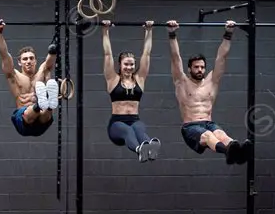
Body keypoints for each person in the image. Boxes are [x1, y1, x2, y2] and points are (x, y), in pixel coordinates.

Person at [168, 20, 252, 164]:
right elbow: (176, 58)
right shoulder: (181, 82)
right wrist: (172, 34)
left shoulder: (211, 81)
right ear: (189, 69)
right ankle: (228, 153)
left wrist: (228, 34)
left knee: (220, 134)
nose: (200, 70)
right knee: (207, 135)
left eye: (202, 67)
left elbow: (221, 58)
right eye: (196, 67)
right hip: (191, 127)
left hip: (209, 122)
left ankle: (238, 153)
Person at [0, 19, 63, 137]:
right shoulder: (14, 75)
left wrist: (53, 50)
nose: (28, 61)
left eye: (31, 58)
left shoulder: (42, 71)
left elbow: (49, 61)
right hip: (24, 120)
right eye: (25, 59)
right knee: (29, 115)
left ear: (35, 60)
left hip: (42, 121)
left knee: (46, 114)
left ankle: (47, 105)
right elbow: (4, 54)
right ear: (19, 62)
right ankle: (40, 104)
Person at [102, 20, 160, 162]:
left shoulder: (139, 79)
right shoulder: (112, 79)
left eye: (132, 64)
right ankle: (139, 149)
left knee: (139, 129)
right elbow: (108, 54)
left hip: (135, 119)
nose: (129, 67)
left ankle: (150, 148)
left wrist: (149, 31)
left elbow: (146, 54)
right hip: (117, 124)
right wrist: (105, 31)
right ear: (120, 65)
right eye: (126, 64)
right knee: (128, 131)